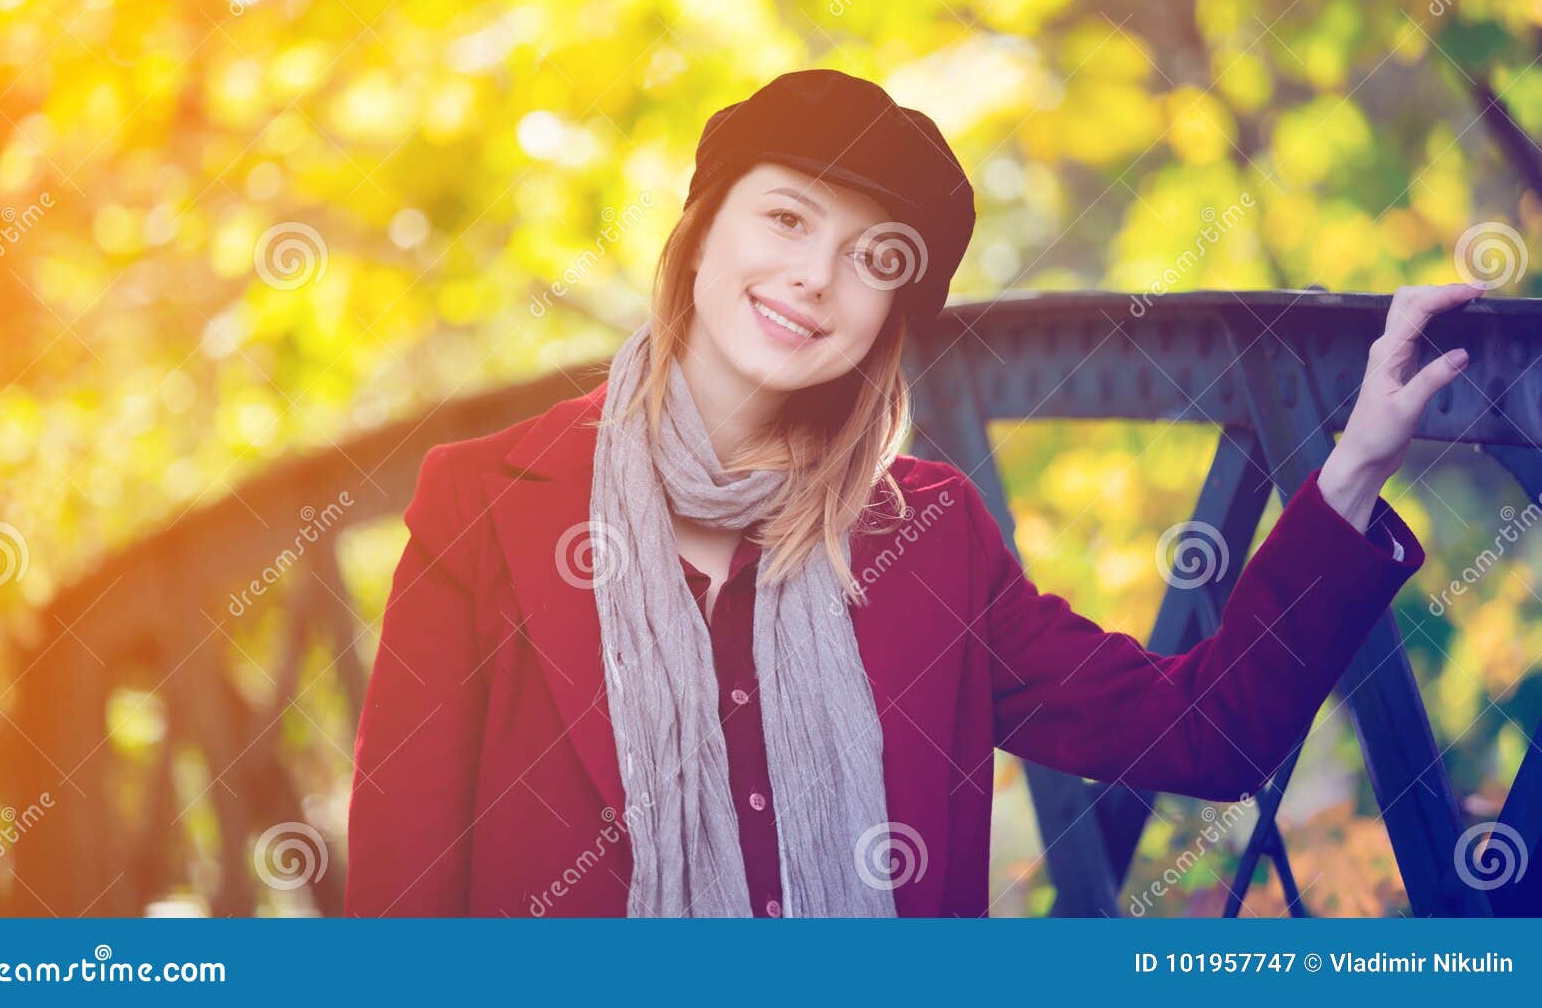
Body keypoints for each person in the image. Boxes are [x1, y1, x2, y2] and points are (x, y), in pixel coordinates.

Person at [344, 69, 1478, 918]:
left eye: (870, 259)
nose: (812, 278)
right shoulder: (485, 505)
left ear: (892, 319)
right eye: (785, 218)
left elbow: (1204, 733)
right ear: (699, 232)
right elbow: (405, 891)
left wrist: (1354, 466)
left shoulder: (927, 539)